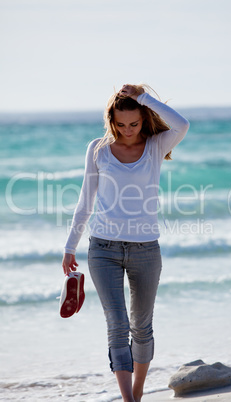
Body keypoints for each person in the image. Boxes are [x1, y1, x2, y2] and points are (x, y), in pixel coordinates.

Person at [62, 84, 190, 402]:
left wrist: (144, 98)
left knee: (141, 327)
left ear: (144, 119)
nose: (127, 130)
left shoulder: (157, 145)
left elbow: (182, 124)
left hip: (146, 250)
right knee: (117, 325)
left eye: (134, 124)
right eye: (120, 124)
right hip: (102, 249)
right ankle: (127, 400)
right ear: (111, 120)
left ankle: (138, 391)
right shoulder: (98, 149)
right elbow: (85, 200)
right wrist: (69, 246)